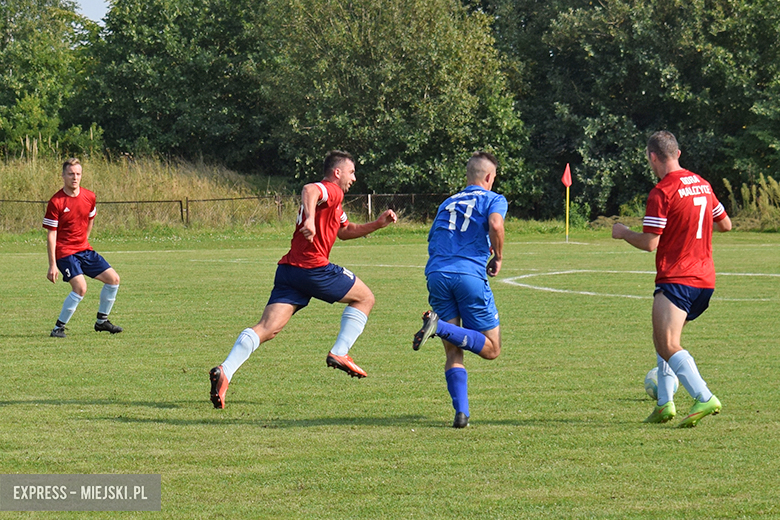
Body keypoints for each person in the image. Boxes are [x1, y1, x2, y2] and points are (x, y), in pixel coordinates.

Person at [209, 150, 398, 409]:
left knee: (268, 328)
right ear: (337, 172)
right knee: (365, 298)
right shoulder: (332, 190)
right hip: (313, 268)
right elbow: (310, 189)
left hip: (290, 271)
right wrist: (309, 218)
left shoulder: (334, 202)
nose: (354, 178)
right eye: (352, 172)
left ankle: (225, 371)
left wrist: (377, 224)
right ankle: (339, 352)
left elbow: (345, 230)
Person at [612, 131, 731, 428]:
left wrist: (624, 232)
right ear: (678, 153)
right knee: (664, 340)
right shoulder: (702, 184)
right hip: (705, 279)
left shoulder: (662, 191)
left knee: (667, 342)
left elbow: (650, 242)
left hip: (678, 277)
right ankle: (665, 404)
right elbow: (725, 224)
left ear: (653, 157)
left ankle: (703, 396)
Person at [413, 151, 507, 428]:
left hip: (437, 273)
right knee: (491, 349)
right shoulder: (493, 198)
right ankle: (438, 326)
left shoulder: (448, 202)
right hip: (468, 275)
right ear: (489, 177)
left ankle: (461, 414)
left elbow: (433, 237)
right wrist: (498, 256)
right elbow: (495, 223)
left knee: (453, 351)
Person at [43, 158, 123, 338]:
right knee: (80, 288)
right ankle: (58, 329)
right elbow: (51, 234)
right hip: (65, 253)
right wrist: (52, 265)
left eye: (78, 174)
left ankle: (102, 321)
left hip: (84, 250)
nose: (75, 177)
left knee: (113, 279)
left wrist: (83, 241)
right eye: (71, 174)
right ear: (63, 176)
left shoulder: (89, 196)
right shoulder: (56, 202)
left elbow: (90, 219)